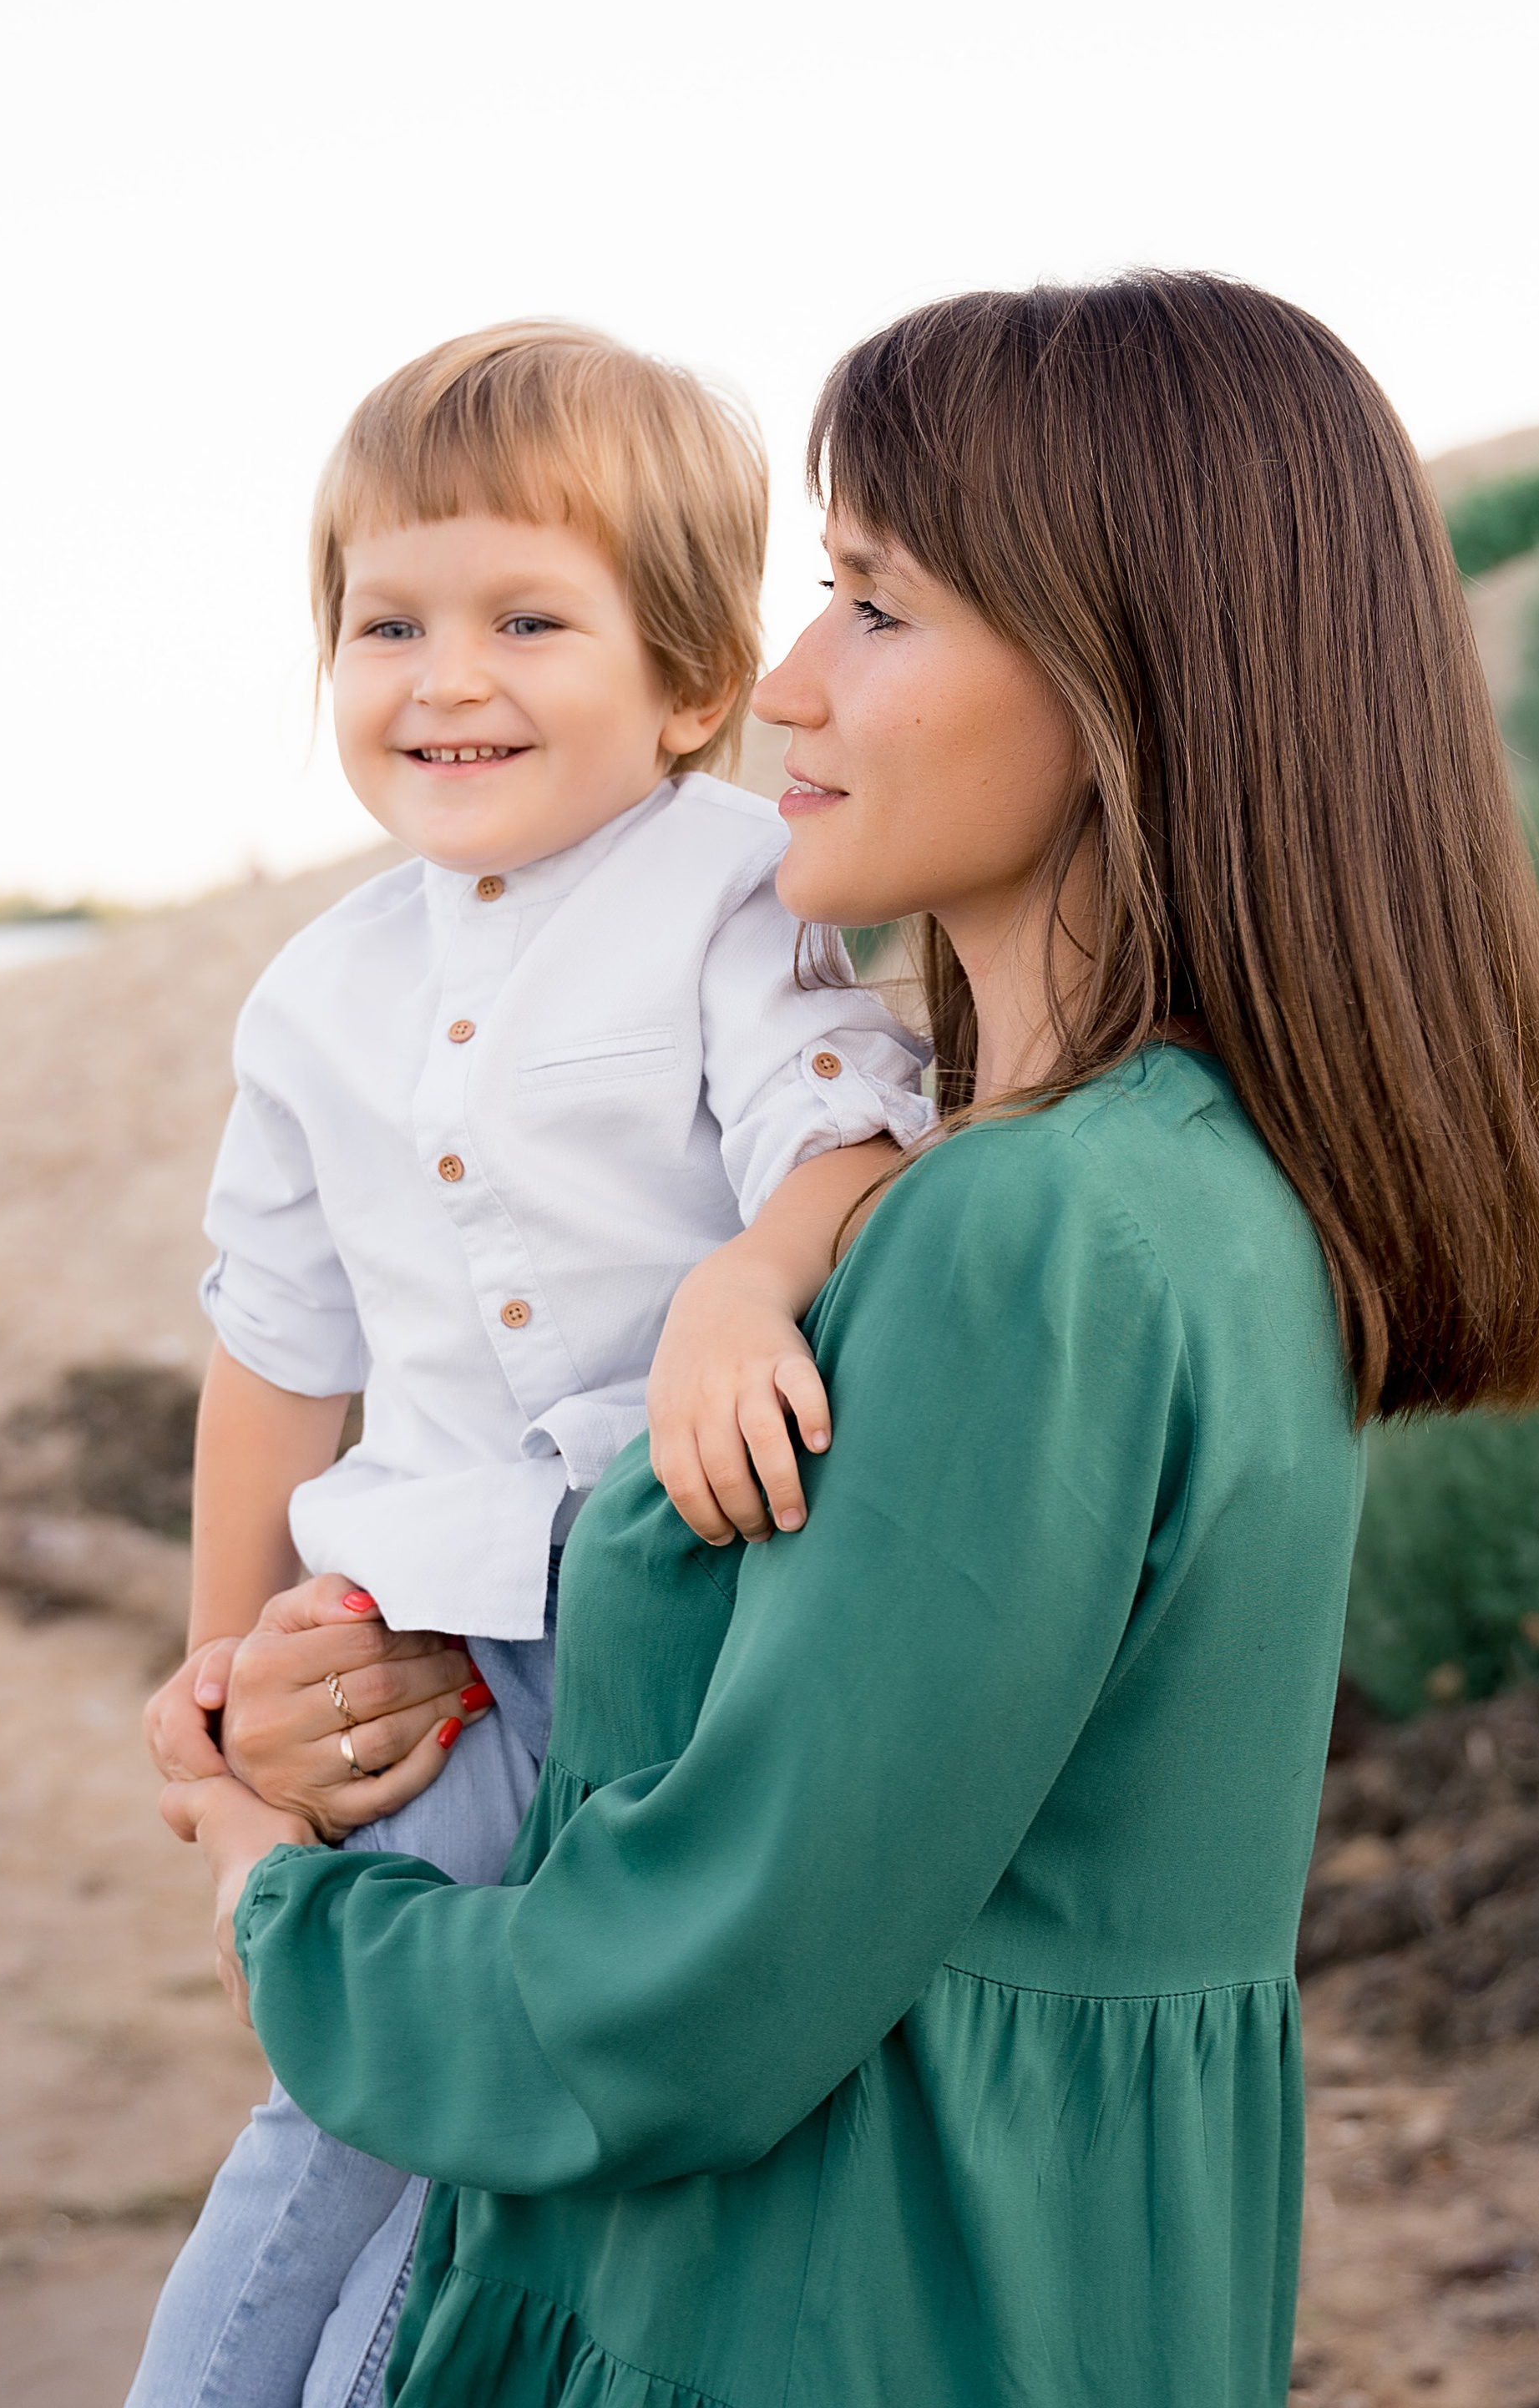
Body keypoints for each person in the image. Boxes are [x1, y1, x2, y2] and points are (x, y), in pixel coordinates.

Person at [165, 272, 1539, 2408]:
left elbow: (683, 1997)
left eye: (871, 603)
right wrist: (303, 1681)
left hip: (817, 2313)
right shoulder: (1180, 1187)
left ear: (1130, 673)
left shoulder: (1024, 1237)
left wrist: (261, 1884)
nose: (774, 685)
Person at [125, 321, 934, 2408]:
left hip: (681, 1641)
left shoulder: (734, 891)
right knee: (348, 2096)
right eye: (382, 620)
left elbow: (839, 1133)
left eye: (523, 616)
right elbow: (275, 1348)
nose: (441, 674)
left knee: (532, 2114)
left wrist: (743, 1286)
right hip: (440, 1646)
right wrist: (222, 1690)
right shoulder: (317, 991)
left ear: (683, 681)